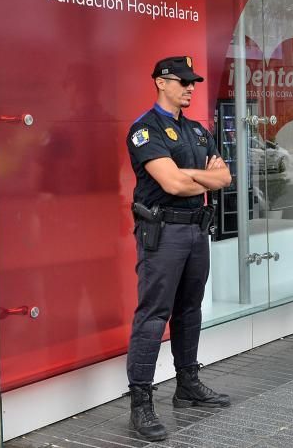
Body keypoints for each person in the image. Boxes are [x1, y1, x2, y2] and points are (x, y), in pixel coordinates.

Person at [125, 56, 232, 441]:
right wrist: (199, 178)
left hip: (195, 232)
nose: (190, 87)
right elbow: (171, 185)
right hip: (163, 233)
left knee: (189, 310)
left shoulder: (197, 132)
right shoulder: (145, 129)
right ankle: (141, 403)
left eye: (193, 82)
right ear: (160, 82)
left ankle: (187, 384)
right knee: (154, 314)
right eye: (182, 81)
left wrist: (189, 175)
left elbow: (225, 176)